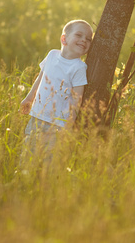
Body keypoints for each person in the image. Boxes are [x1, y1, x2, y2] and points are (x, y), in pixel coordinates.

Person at [19, 19, 93, 163]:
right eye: (79, 35)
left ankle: (46, 183)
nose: (84, 40)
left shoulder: (79, 67)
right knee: (28, 155)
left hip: (58, 125)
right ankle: (24, 179)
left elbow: (77, 98)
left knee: (49, 161)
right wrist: (29, 98)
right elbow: (41, 77)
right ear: (64, 39)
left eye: (88, 39)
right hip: (37, 117)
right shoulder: (52, 55)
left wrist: (70, 123)